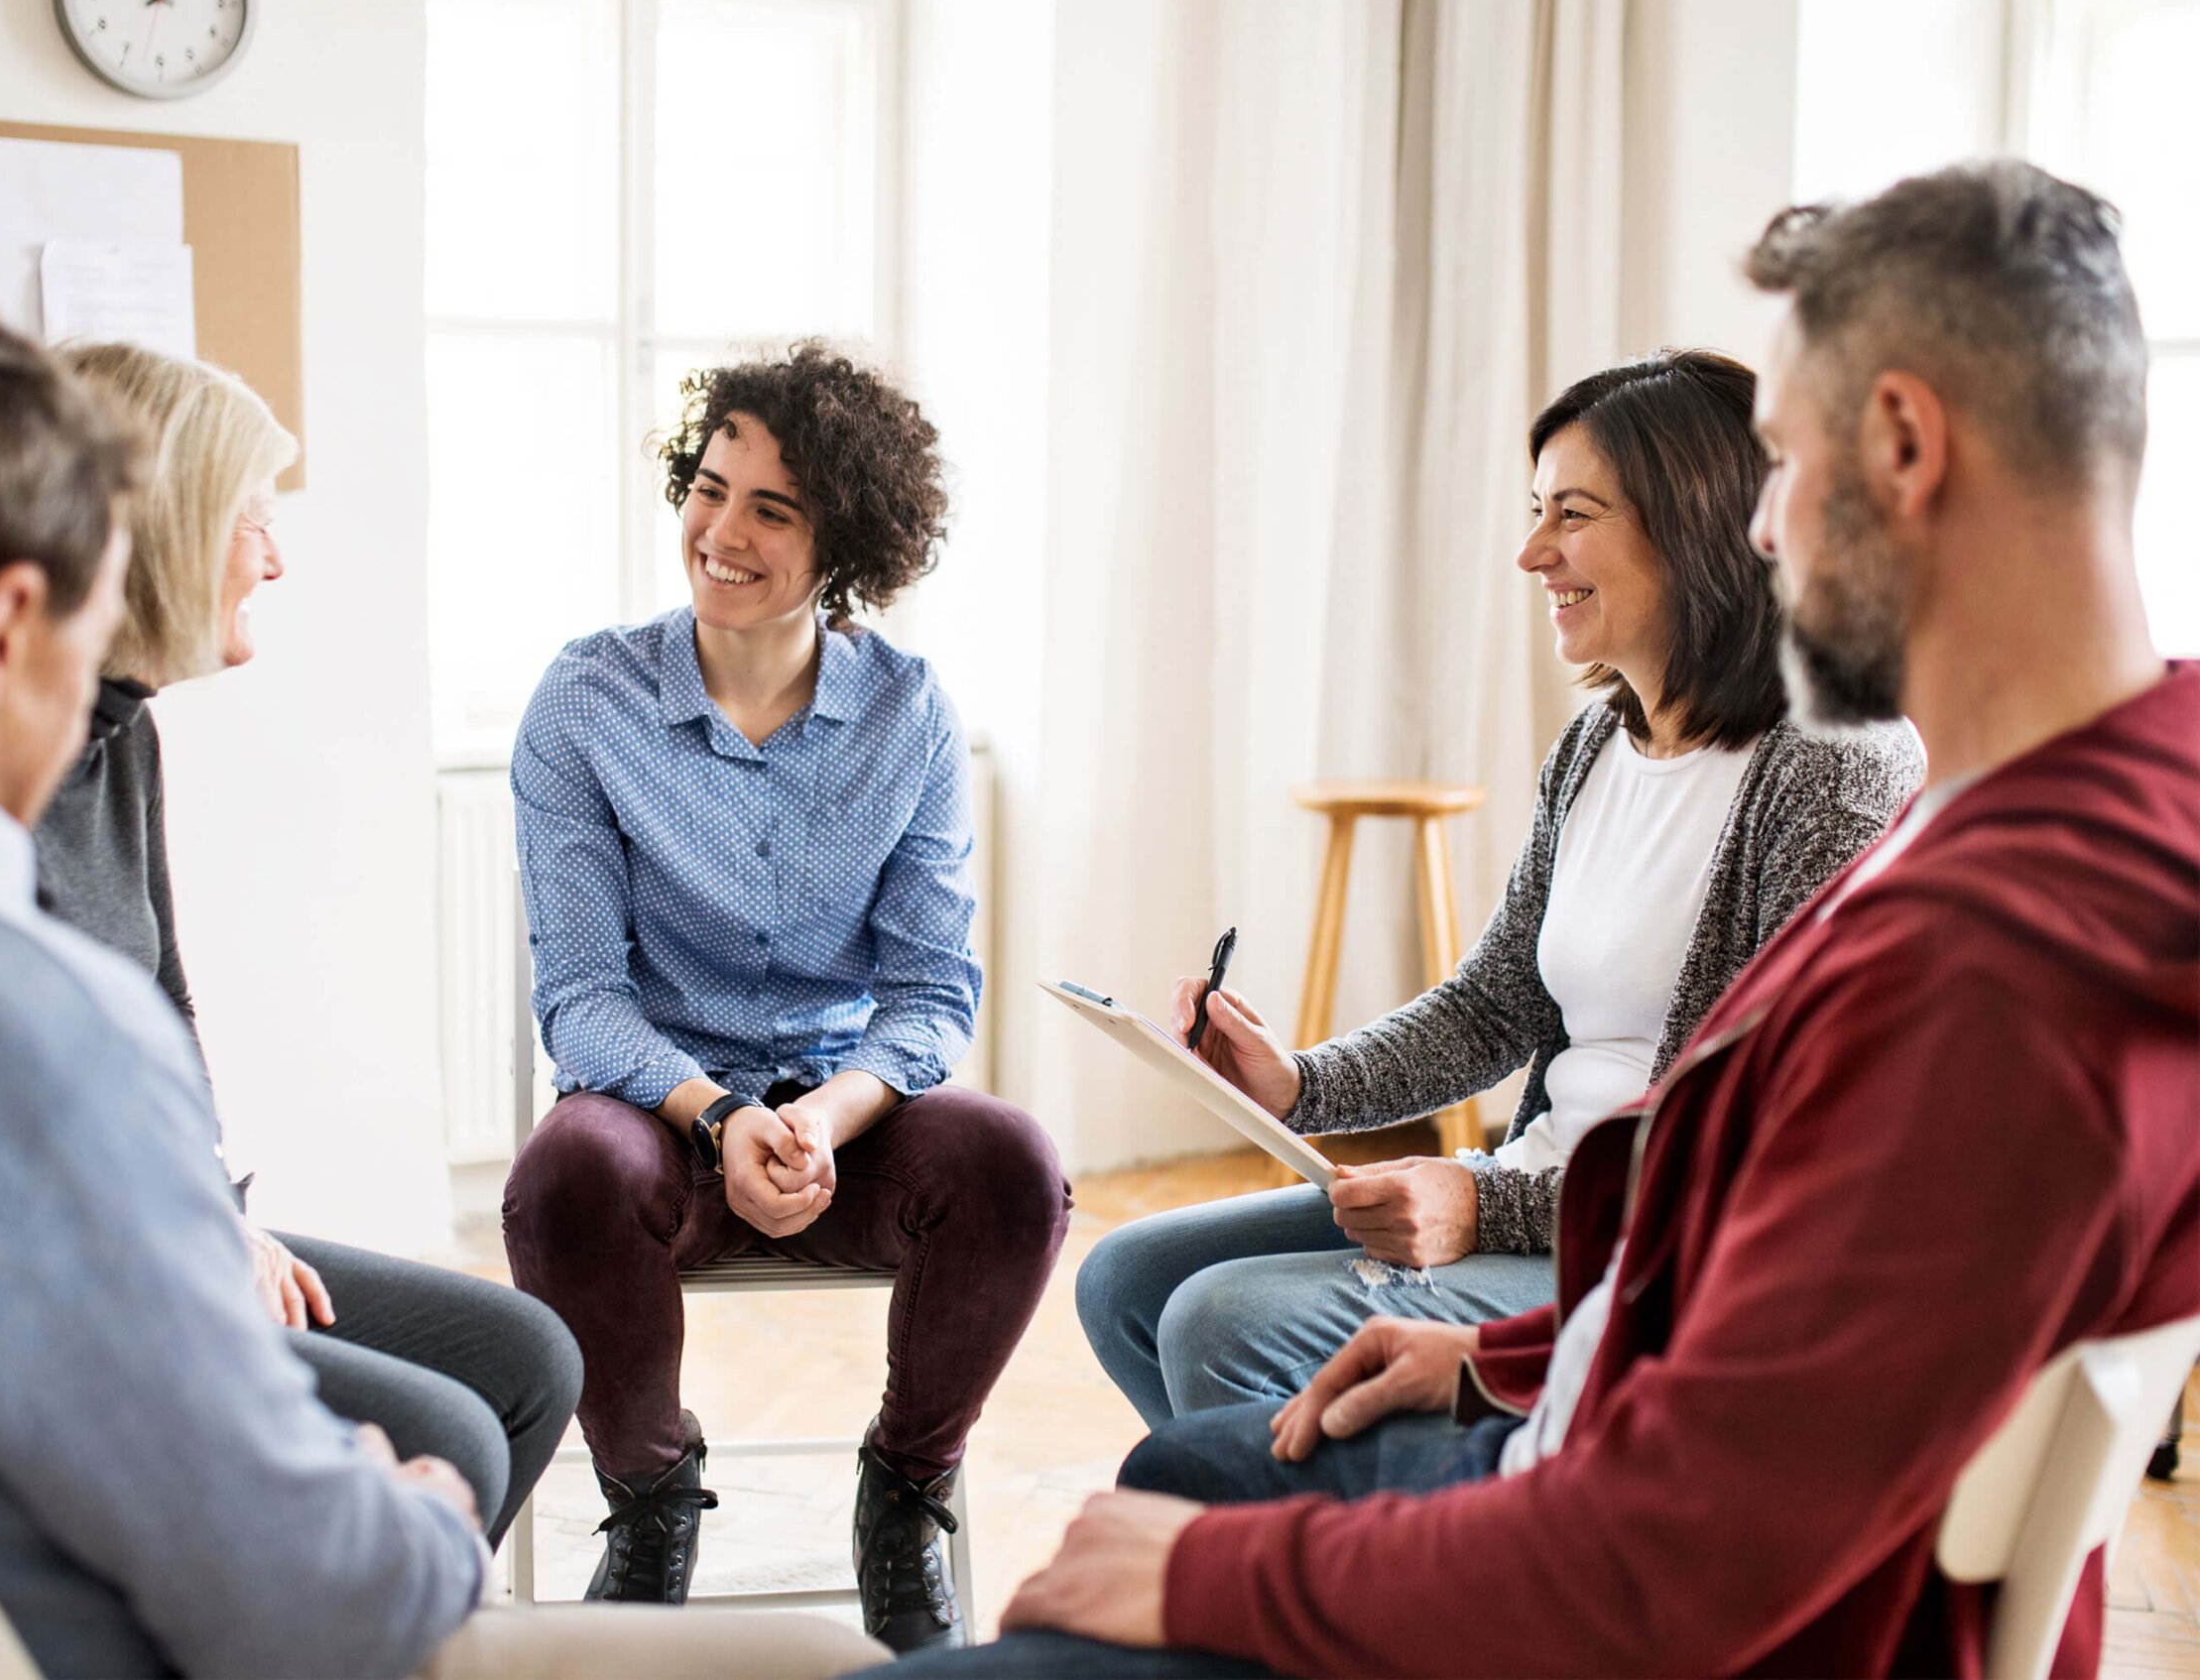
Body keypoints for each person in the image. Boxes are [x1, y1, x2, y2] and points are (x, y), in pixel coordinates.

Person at [880, 159, 2200, 1679]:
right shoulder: (2066, 826)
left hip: (1650, 1596)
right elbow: (1785, 1334)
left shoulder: (1989, 962)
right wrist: (1492, 1354)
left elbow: (1684, 1556)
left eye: (1783, 459)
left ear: (1903, 441)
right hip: (1596, 1437)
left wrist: (1223, 1578)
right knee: (1187, 1447)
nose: (1768, 528)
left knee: (1174, 1493)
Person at [0, 267, 891, 1680]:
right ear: (5, 631)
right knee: (824, 1664)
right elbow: (316, 1596)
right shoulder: (23, 1031)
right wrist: (420, 1516)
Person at [1078, 349, 1923, 1426]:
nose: (1531, 553)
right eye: (1535, 511)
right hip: (1541, 1192)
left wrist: (1485, 1203)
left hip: (1669, 1253)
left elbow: (1762, 1143)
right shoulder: (1596, 744)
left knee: (1219, 1325)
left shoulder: (1832, 765)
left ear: (1700, 525)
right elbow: (1494, 1007)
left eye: (1571, 515)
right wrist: (1297, 1085)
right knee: (1127, 1283)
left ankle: (1367, 1570)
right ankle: (1367, 1543)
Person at [500, 343, 1072, 1651]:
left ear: (849, 540)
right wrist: (715, 1117)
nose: (722, 532)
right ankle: (650, 1501)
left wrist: (826, 1114)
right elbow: (583, 1000)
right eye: (711, 487)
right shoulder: (587, 702)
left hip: (843, 1134)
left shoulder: (911, 716)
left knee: (1012, 1161)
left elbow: (931, 993)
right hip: (661, 1121)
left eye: (775, 507)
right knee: (565, 1169)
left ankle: (907, 1492)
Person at [35, 340, 580, 1549]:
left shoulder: (123, 737)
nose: (274, 559)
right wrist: (192, 1236)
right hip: (87, 1271)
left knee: (530, 1356)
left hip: (166, 1221)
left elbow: (161, 1008)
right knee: (451, 1436)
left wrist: (220, 1211)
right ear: (164, 525)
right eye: (250, 519)